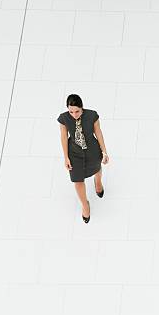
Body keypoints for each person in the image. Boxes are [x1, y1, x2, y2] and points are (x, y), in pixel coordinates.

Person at [57, 93, 109, 224]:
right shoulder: (64, 119)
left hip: (92, 150)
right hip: (74, 153)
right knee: (77, 180)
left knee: (97, 169)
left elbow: (98, 132)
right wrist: (66, 157)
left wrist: (104, 151)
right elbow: (63, 137)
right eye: (71, 111)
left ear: (82, 108)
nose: (74, 114)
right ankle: (85, 205)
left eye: (77, 111)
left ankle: (98, 183)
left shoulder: (92, 116)